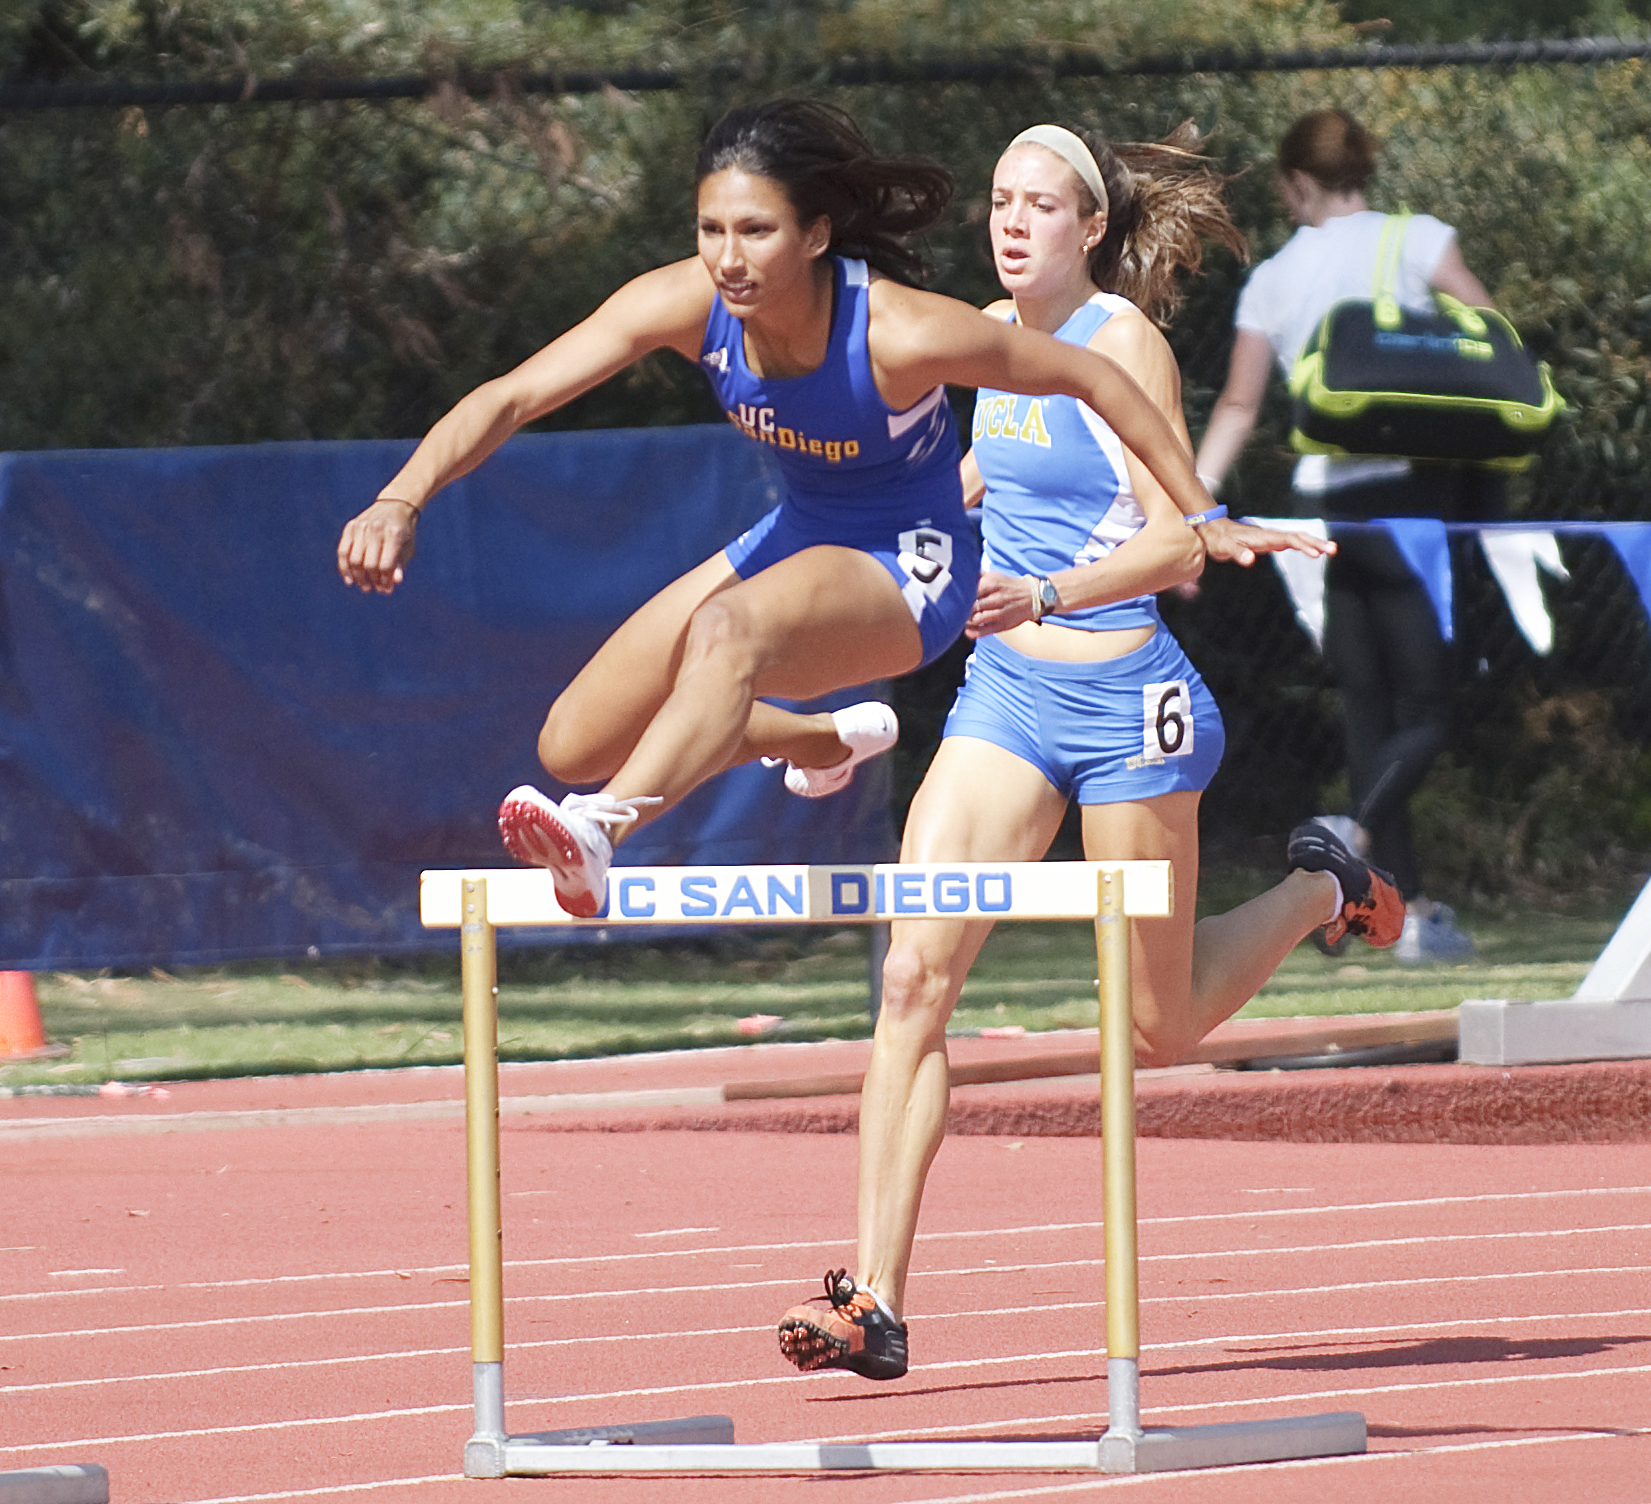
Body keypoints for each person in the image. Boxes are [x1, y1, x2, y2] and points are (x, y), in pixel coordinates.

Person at [338, 99, 1327, 918]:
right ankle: (816, 738)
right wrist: (403, 493)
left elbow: (1094, 380)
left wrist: (1201, 513)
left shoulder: (896, 331)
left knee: (719, 641)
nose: (728, 259)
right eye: (710, 230)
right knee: (571, 740)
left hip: (912, 564)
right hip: (802, 532)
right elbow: (514, 392)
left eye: (755, 232)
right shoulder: (688, 303)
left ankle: (604, 830)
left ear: (814, 235)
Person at [774, 122, 1403, 1383]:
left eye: (1039, 206)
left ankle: (1319, 884)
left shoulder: (1123, 347)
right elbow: (978, 478)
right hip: (1005, 699)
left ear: (1090, 228)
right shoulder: (989, 346)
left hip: (1125, 705)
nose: (1011, 225)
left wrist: (1047, 592)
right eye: (998, 201)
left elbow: (1181, 549)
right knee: (911, 975)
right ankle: (873, 1299)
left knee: (1157, 1026)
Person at [1194, 108, 1491, 966]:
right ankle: (1354, 834)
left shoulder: (1276, 278)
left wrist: (1197, 513)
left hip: (1322, 513)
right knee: (1432, 705)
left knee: (1367, 711)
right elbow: (1493, 341)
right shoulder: (1419, 242)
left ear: (1294, 183)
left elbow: (1243, 406)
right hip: (1415, 503)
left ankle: (1401, 915)